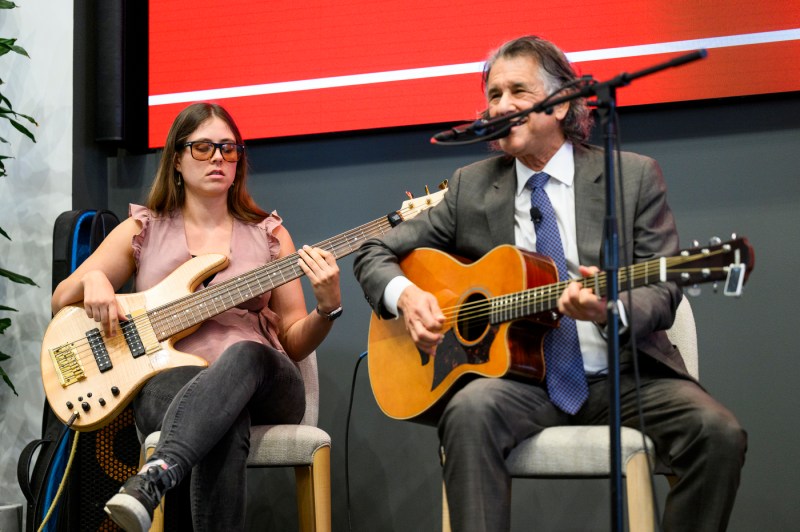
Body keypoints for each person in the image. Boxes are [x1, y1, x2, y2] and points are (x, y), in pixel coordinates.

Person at [353, 35, 746, 531]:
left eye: (518, 90)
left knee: (718, 433)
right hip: (519, 385)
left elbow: (663, 287)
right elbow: (374, 251)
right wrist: (406, 296)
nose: (501, 105)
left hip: (623, 377)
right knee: (469, 412)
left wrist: (610, 310)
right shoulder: (473, 186)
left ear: (561, 105)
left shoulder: (632, 177)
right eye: (493, 95)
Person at [51, 102, 342, 531]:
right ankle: (163, 474)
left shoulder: (270, 234)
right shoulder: (143, 229)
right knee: (224, 419)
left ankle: (156, 475)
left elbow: (295, 340)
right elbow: (61, 299)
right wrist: (92, 281)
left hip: (265, 381)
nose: (219, 158)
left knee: (245, 355)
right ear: (177, 160)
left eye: (228, 148)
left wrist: (327, 307)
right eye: (204, 148)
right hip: (169, 380)